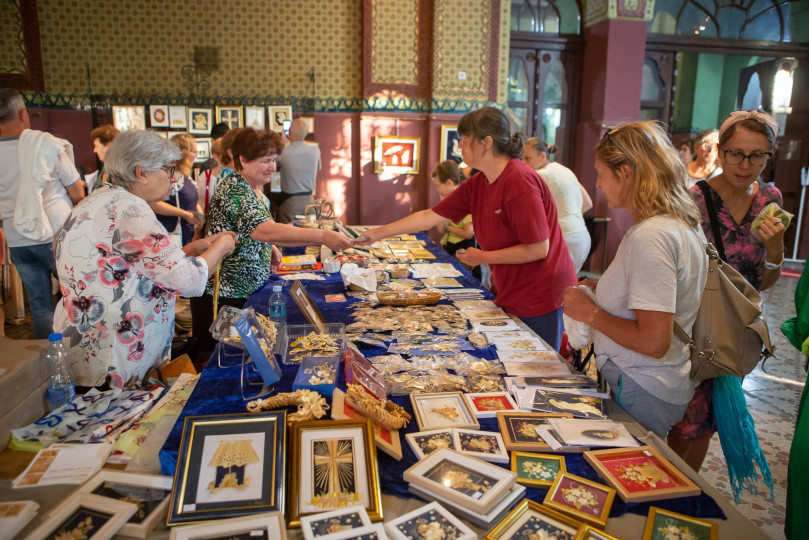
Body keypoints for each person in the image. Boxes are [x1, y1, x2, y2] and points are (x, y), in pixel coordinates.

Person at [357, 107, 576, 351]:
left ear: (486, 142)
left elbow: (538, 249)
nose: (459, 144)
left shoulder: (518, 179)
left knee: (536, 362)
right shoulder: (479, 183)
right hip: (512, 286)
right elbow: (429, 216)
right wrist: (376, 234)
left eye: (465, 138)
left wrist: (482, 257)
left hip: (540, 292)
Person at [52, 130, 236, 388]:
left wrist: (191, 249)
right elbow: (189, 282)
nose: (173, 179)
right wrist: (223, 245)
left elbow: (124, 268)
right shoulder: (130, 209)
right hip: (115, 353)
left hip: (86, 341)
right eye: (168, 169)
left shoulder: (96, 200)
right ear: (141, 173)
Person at [562, 121, 708, 438]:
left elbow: (654, 342)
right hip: (648, 380)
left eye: (601, 173)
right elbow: (662, 293)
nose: (597, 184)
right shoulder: (677, 223)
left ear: (626, 174)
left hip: (642, 383)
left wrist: (587, 313)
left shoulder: (652, 237)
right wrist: (602, 288)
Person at [667, 110, 786, 470]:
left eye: (757, 155)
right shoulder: (692, 201)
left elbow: (763, 283)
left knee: (707, 423)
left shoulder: (771, 200)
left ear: (769, 155)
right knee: (681, 420)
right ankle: (665, 494)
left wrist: (777, 249)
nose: (745, 164)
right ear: (719, 152)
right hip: (692, 330)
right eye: (735, 152)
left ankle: (688, 495)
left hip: (734, 332)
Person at [191, 128, 351, 366]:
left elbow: (258, 228)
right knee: (224, 362)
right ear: (242, 160)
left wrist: (272, 246)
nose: (272, 168)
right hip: (227, 294)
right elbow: (264, 229)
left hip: (244, 289)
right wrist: (322, 236)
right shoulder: (235, 189)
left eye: (274, 160)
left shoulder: (253, 186)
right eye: (265, 161)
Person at [0, 89, 85, 338]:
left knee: (39, 305)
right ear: (23, 114)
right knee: (77, 296)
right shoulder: (45, 144)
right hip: (56, 236)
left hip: (17, 240)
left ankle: (49, 360)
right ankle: (82, 357)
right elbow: (77, 193)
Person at [523, 138, 592, 272]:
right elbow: (588, 203)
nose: (523, 163)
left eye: (527, 158)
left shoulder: (539, 175)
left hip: (565, 239)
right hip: (582, 237)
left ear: (542, 156)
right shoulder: (565, 169)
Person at [150, 133, 203, 246]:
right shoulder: (168, 175)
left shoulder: (186, 176)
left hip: (187, 236)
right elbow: (153, 203)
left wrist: (198, 212)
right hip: (172, 236)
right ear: (183, 153)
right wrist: (184, 214)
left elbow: (190, 199)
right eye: (194, 152)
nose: (195, 156)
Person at [276, 118, 321, 224]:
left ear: (289, 133)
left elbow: (273, 166)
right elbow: (318, 168)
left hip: (290, 203)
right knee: (310, 236)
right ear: (306, 132)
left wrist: (281, 144)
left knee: (288, 236)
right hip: (310, 201)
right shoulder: (315, 150)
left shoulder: (283, 152)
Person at [432, 160, 474, 256]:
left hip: (464, 251)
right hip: (450, 247)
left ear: (449, 183)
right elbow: (440, 229)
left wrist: (448, 227)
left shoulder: (465, 200)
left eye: (438, 186)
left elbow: (468, 233)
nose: (437, 189)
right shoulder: (451, 200)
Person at [88, 124, 120, 193]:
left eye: (97, 146)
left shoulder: (114, 169)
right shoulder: (107, 166)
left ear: (109, 145)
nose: (95, 150)